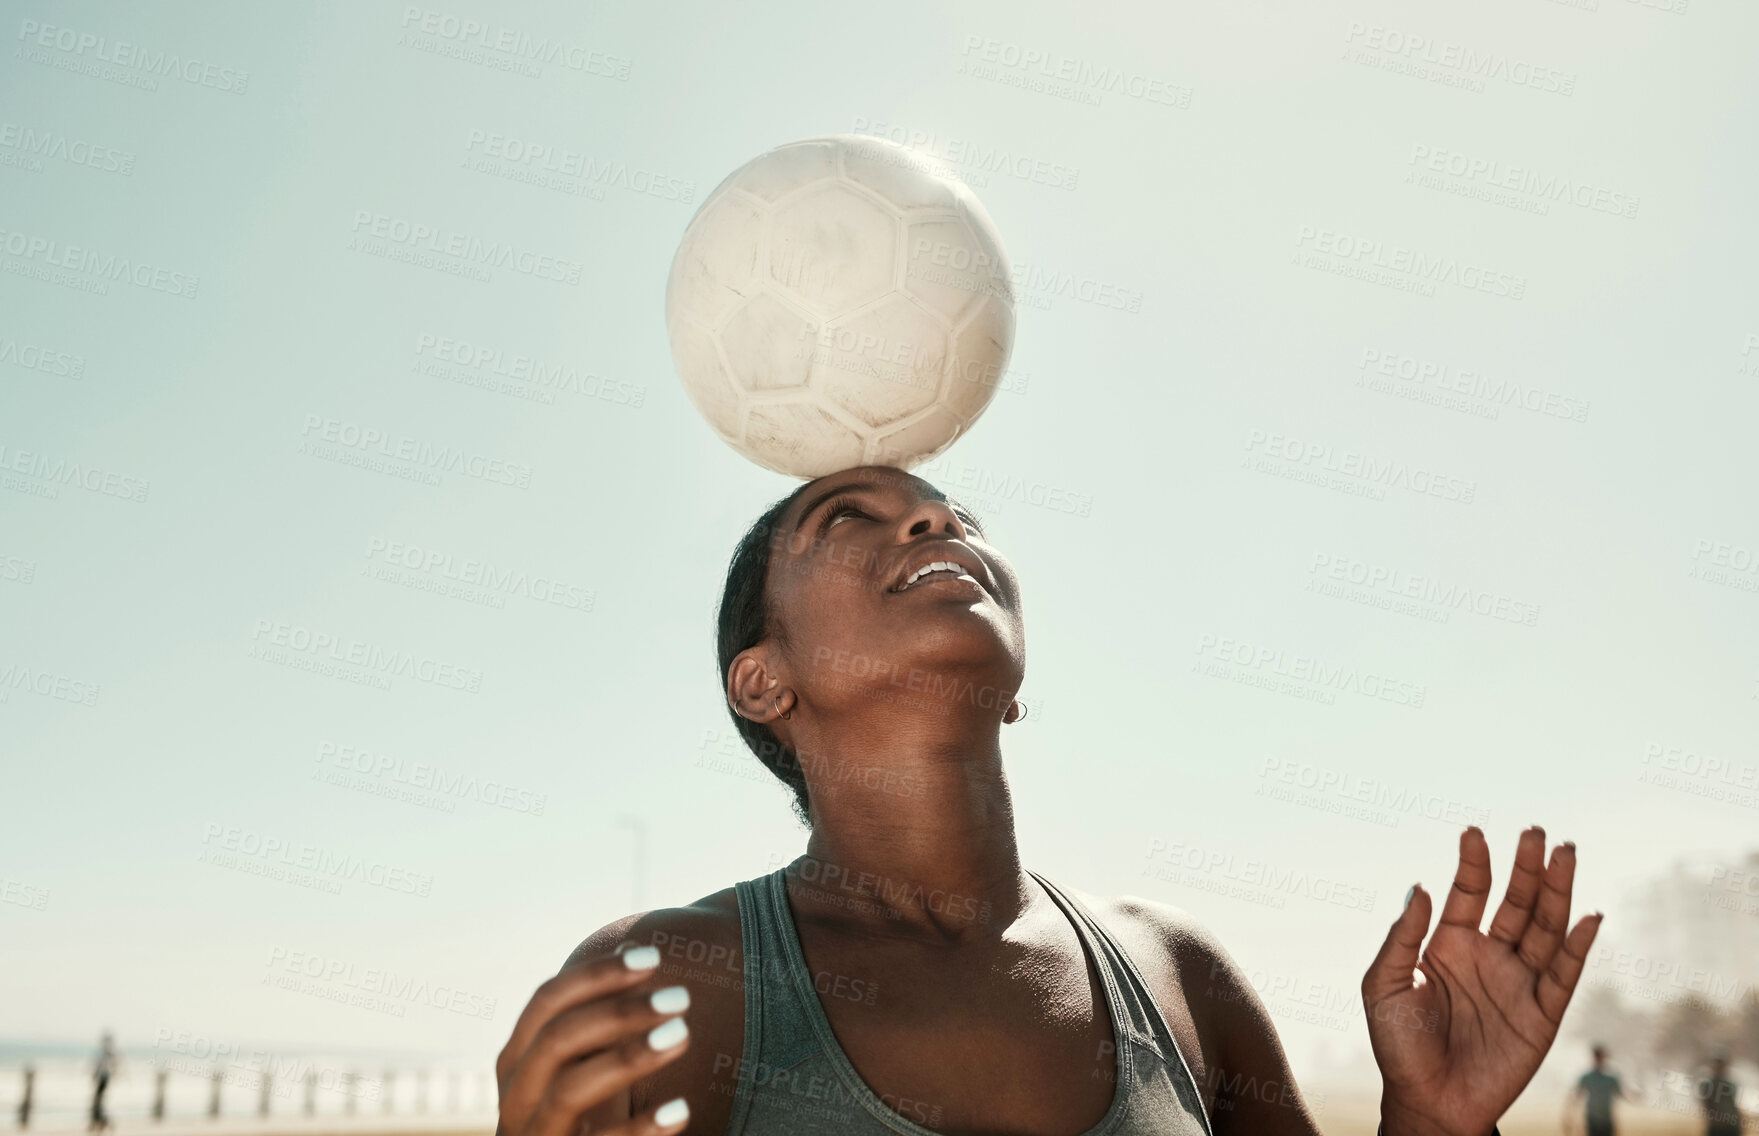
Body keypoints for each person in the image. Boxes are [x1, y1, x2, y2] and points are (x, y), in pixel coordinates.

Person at [493, 466, 1604, 1136]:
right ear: (762, 678)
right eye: (845, 519)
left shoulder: (1175, 967)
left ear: (1012, 689)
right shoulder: (673, 979)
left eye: (950, 512)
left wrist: (1431, 1121)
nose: (934, 526)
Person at [1566, 1044, 1630, 1136]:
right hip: (1592, 1120)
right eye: (1596, 1057)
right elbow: (1577, 1096)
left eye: (1600, 1057)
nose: (1598, 1060)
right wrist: (1569, 1117)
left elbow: (1620, 1093)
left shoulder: (1611, 1079)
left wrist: (1634, 1098)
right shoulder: (1587, 1077)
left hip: (1606, 1119)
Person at [1701, 1049, 1744, 1136]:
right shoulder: (1708, 1084)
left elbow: (1733, 1104)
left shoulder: (1729, 1084)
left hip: (1731, 1125)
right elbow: (1707, 1104)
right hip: (1718, 1126)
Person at [89, 1033, 116, 1134]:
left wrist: (95, 1074)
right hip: (104, 1078)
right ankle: (101, 1122)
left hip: (103, 1078)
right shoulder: (107, 1051)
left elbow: (101, 1065)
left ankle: (101, 1122)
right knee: (98, 1102)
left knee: (97, 1102)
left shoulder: (105, 1050)